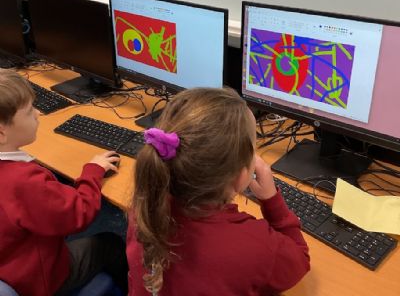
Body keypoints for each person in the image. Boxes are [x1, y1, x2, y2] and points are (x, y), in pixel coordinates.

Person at [127, 87, 310, 295]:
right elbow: (299, 258)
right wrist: (271, 199)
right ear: (241, 175)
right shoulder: (254, 246)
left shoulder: (145, 208)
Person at [0, 69, 128, 296]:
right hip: (35, 278)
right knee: (112, 244)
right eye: (29, 111)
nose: (38, 113)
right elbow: (79, 212)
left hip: (9, 259)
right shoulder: (22, 182)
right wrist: (93, 171)